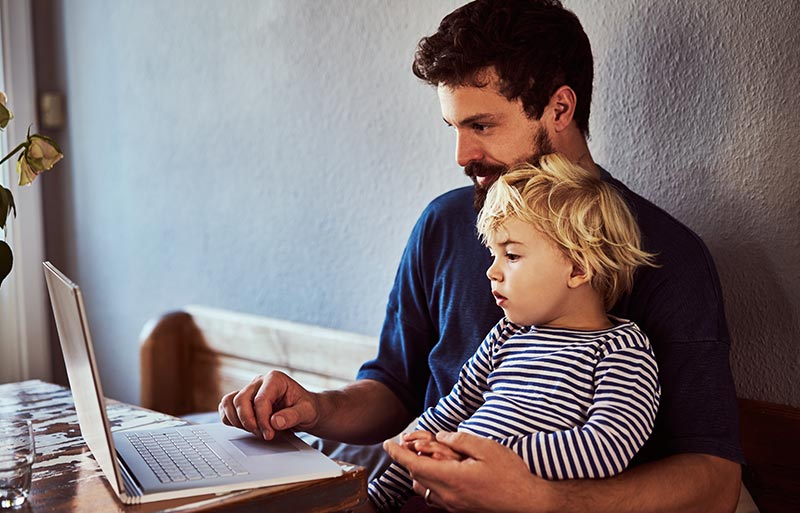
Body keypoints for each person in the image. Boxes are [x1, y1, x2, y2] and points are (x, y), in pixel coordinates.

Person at [219, 1, 745, 511]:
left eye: (483, 126)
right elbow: (396, 390)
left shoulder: (661, 254)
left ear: (560, 108)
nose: (462, 156)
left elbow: (715, 481)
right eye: (455, 128)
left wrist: (541, 500)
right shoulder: (445, 223)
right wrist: (315, 408)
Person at [366, 154, 661, 512]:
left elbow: (606, 446)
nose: (492, 271)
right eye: (494, 255)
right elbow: (453, 409)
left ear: (579, 268)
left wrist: (484, 455)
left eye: (512, 256)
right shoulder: (506, 335)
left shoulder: (621, 351)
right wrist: (396, 468)